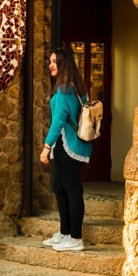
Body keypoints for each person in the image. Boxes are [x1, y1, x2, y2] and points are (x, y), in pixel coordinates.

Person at [39, 47, 92, 251]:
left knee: (72, 190)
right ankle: (65, 233)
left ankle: (76, 238)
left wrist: (46, 147)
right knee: (60, 188)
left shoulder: (63, 89)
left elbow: (58, 121)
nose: (51, 65)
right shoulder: (77, 86)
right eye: (50, 61)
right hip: (75, 144)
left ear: (64, 64)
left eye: (55, 61)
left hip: (66, 145)